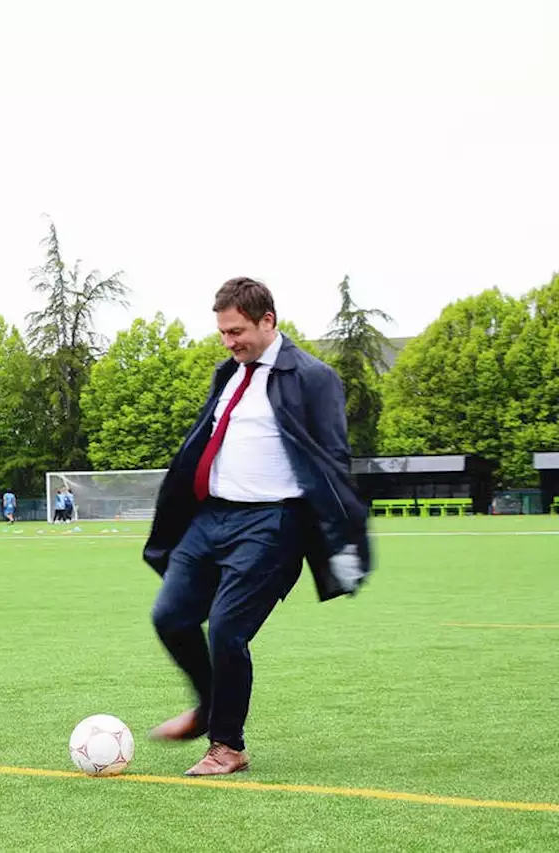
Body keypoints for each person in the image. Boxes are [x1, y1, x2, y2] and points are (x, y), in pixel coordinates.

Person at [142, 277, 371, 777]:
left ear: (268, 320)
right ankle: (208, 707)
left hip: (273, 523)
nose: (229, 342)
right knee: (171, 617)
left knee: (227, 629)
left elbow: (333, 460)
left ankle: (227, 745)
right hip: (212, 517)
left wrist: (344, 538)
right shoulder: (228, 373)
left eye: (237, 331)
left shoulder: (313, 377)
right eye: (223, 333)